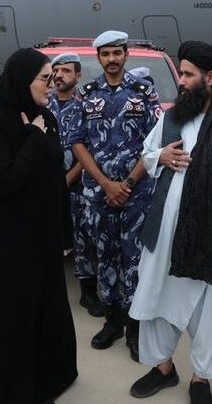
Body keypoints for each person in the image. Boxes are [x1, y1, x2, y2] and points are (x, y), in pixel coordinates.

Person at [127, 41, 212, 404]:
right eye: (181, 73)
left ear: (209, 78)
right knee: (156, 299)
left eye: (187, 74)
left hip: (208, 238)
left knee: (206, 311)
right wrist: (161, 156)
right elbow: (148, 155)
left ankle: (201, 379)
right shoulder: (171, 119)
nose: (180, 80)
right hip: (165, 232)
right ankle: (163, 368)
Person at [0, 48, 78, 404]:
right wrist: (33, 136)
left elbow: (54, 180)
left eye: (54, 77)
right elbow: (7, 179)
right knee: (8, 325)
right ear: (21, 80)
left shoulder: (46, 117)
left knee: (42, 316)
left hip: (41, 243)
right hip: (4, 246)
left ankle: (38, 384)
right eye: (45, 79)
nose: (53, 84)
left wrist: (64, 232)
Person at [69, 30, 162, 361]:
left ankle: (135, 328)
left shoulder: (144, 92)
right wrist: (106, 184)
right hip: (99, 193)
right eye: (106, 54)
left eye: (117, 53)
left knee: (134, 260)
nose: (111, 59)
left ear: (126, 55)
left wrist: (128, 183)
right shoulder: (86, 94)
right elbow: (77, 142)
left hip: (137, 194)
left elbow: (155, 142)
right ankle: (113, 322)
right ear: (98, 58)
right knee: (105, 255)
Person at [48, 52, 102, 316]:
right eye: (56, 71)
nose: (59, 75)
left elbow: (90, 147)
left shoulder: (88, 105)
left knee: (83, 240)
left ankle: (87, 292)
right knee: (47, 238)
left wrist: (67, 179)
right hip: (46, 188)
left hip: (79, 187)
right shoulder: (43, 104)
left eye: (66, 71)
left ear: (78, 76)